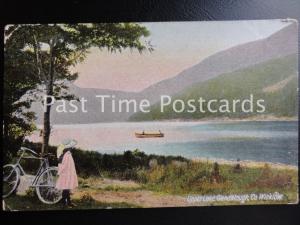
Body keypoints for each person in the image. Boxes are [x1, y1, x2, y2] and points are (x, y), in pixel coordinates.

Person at [56, 139, 78, 207]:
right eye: (72, 146)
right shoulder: (66, 154)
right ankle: (64, 203)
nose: (73, 147)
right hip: (66, 174)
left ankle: (68, 202)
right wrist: (60, 172)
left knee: (67, 188)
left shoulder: (68, 154)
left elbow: (70, 165)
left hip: (68, 173)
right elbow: (62, 164)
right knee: (65, 188)